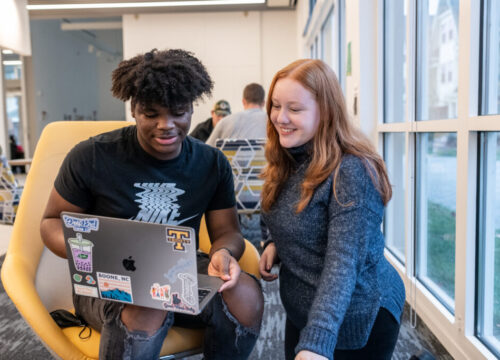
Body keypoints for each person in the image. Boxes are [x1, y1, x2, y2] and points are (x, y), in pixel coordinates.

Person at [40, 48, 263, 360]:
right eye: (151, 114)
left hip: (180, 273)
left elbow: (228, 232)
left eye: (178, 112)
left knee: (246, 295)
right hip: (109, 281)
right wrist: (94, 250)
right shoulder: (91, 157)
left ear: (191, 110)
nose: (166, 125)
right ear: (133, 109)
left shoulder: (211, 163)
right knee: (149, 301)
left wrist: (223, 253)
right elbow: (50, 223)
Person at [258, 59, 405, 360]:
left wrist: (317, 342)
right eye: (275, 105)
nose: (280, 118)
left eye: (294, 109)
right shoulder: (289, 156)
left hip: (356, 317)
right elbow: (291, 213)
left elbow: (344, 262)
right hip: (304, 310)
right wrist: (276, 242)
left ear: (325, 112)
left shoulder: (352, 171)